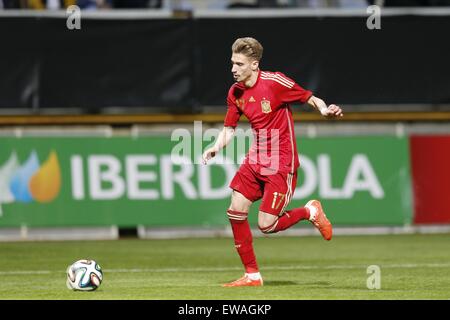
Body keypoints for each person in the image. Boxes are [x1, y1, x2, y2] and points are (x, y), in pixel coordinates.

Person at [202, 37, 343, 287]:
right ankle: (252, 275)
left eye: (239, 64)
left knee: (266, 225)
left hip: (281, 163)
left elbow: (310, 98)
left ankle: (310, 211)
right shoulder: (235, 92)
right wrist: (215, 147)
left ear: (254, 64)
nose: (233, 69)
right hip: (255, 159)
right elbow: (229, 128)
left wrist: (323, 110)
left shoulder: (275, 82)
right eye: (232, 63)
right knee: (235, 210)